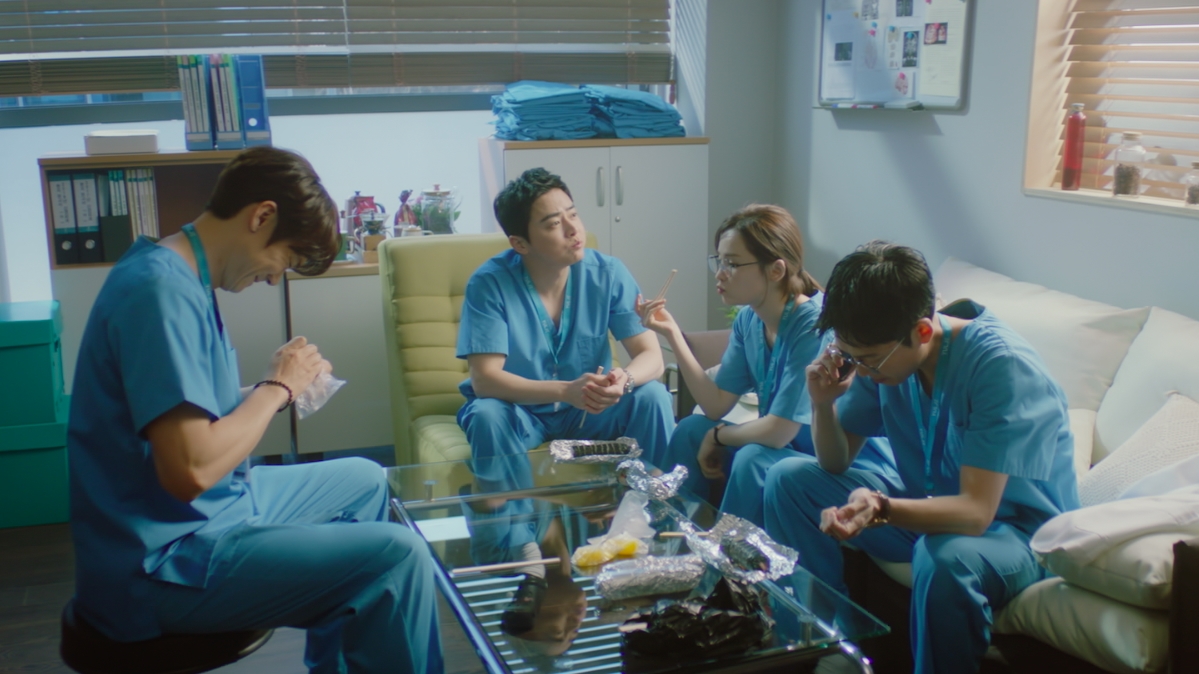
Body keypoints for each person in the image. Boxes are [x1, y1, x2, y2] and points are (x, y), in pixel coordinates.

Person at [67, 146, 443, 674]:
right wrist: (275, 388)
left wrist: (281, 389)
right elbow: (190, 470)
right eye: (284, 259)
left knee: (364, 480)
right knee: (397, 556)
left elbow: (185, 413)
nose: (273, 278)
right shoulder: (159, 294)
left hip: (203, 513)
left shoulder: (177, 274)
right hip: (159, 561)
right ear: (261, 216)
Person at [763, 241, 1079, 674]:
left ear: (922, 332)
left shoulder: (1000, 366)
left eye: (869, 360)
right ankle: (820, 644)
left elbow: (976, 514)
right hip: (930, 508)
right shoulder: (887, 356)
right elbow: (835, 463)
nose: (862, 371)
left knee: (944, 556)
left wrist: (882, 508)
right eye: (852, 356)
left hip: (1017, 535)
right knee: (788, 480)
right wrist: (822, 403)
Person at [635, 205, 895, 527]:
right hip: (790, 451)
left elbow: (779, 432)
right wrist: (673, 334)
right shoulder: (749, 320)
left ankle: (727, 555)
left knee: (753, 457)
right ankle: (663, 535)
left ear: (776, 270)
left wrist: (718, 436)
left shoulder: (812, 323)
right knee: (690, 430)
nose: (720, 274)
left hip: (843, 466)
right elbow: (716, 404)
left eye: (732, 264)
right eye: (719, 261)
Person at [456, 167, 675, 498]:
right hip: (521, 411)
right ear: (520, 243)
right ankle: (511, 527)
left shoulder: (608, 273)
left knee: (653, 396)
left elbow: (651, 356)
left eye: (573, 215)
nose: (573, 230)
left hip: (590, 412)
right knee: (486, 414)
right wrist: (565, 391)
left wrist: (624, 380)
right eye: (553, 224)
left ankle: (654, 508)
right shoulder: (490, 284)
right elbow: (485, 380)